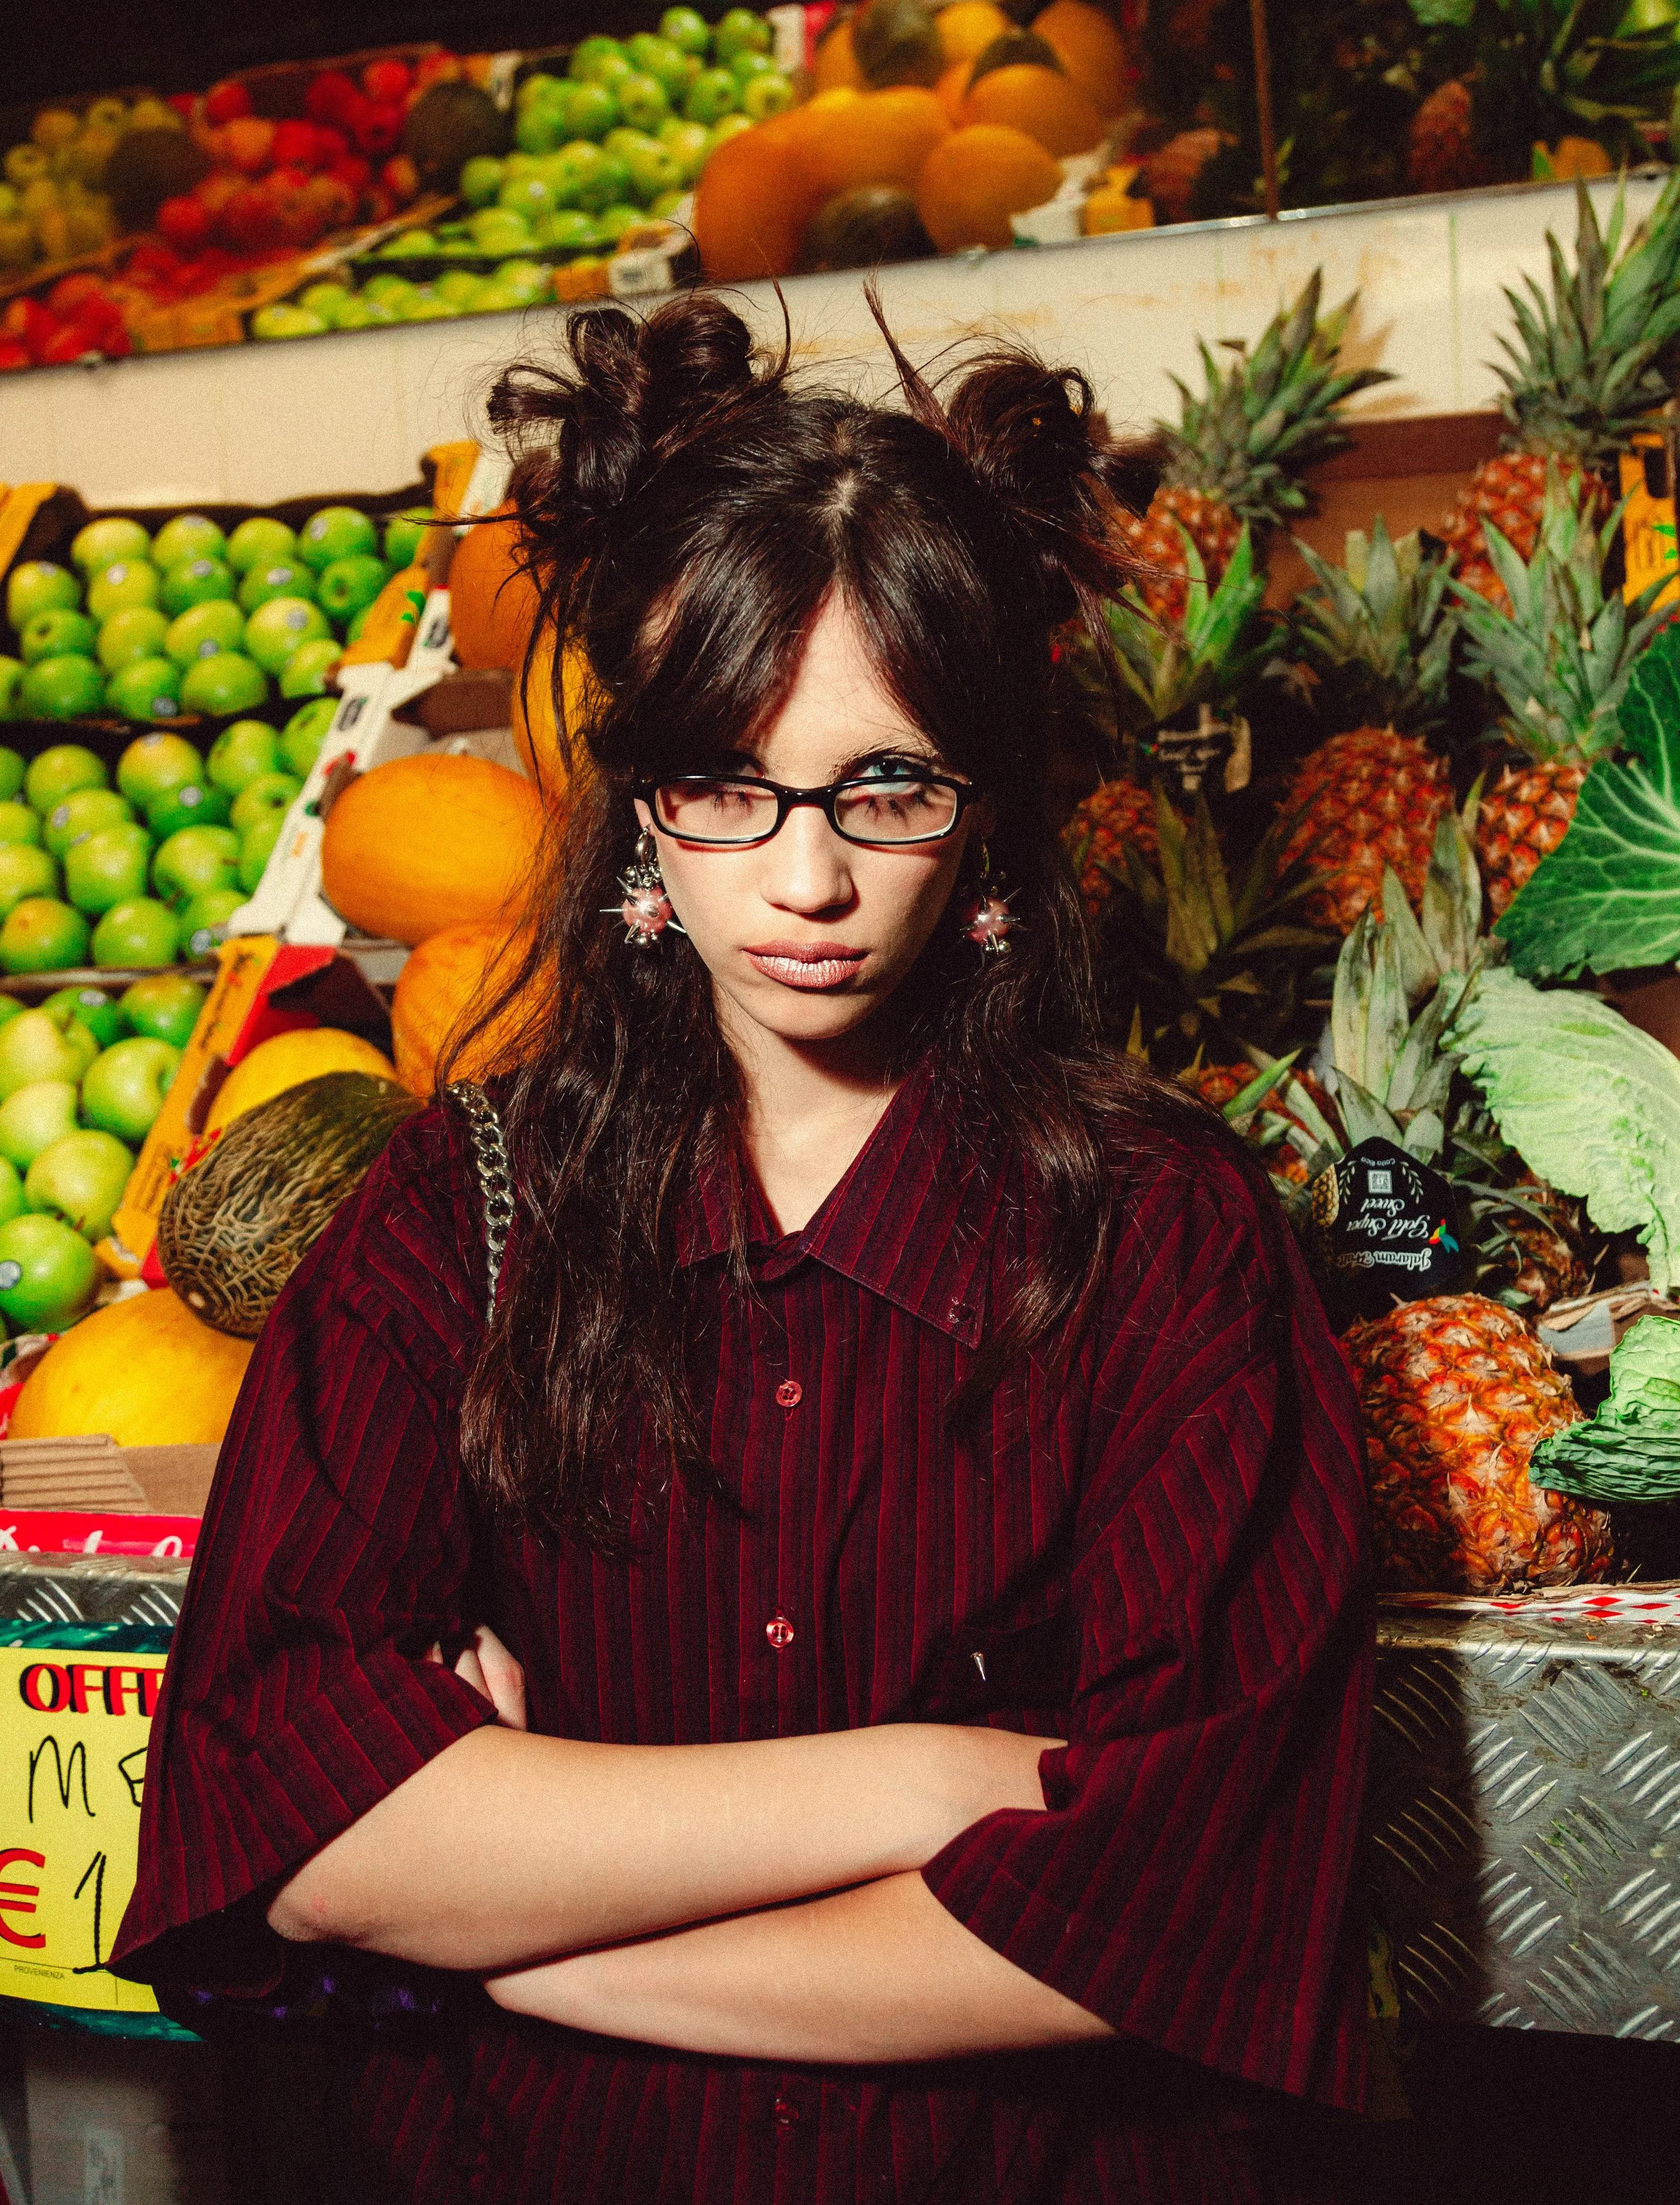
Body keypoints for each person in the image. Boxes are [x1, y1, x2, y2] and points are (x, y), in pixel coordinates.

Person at [113, 293, 1374, 2203]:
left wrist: (507, 1916)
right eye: (725, 782)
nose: (804, 879)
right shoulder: (455, 1216)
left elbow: (1160, 1917)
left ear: (984, 817)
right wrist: (926, 1777)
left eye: (885, 785)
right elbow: (277, 1813)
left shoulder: (1163, 1239)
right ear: (638, 810)